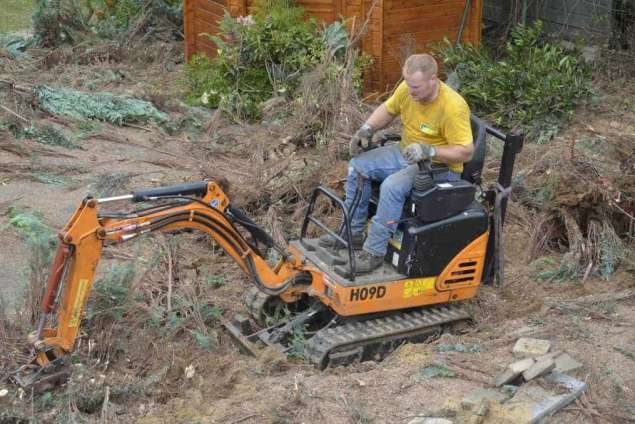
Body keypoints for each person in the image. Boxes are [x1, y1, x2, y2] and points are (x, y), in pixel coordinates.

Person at [319, 53, 474, 273]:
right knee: (358, 166)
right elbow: (388, 110)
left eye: (416, 87)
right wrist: (367, 128)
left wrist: (430, 151)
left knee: (391, 186)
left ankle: (373, 252)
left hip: (439, 167)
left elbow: (465, 152)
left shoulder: (453, 107)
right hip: (405, 153)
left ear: (433, 79)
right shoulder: (407, 90)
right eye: (409, 85)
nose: (411, 92)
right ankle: (352, 232)